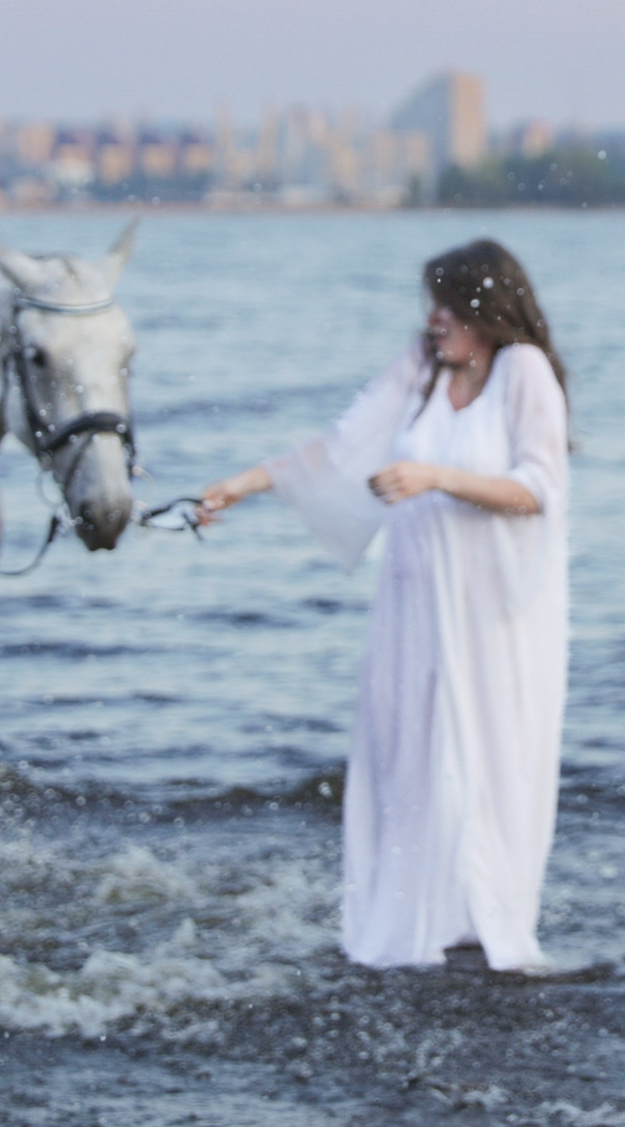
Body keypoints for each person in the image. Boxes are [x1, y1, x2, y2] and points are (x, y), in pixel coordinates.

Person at [198, 238, 571, 972]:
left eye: (448, 303)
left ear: (488, 310)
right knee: (401, 754)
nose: (433, 318)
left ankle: (481, 917)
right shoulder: (423, 367)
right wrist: (239, 486)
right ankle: (404, 921)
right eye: (430, 302)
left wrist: (438, 476)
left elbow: (537, 490)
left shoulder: (523, 371)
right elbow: (342, 447)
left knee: (485, 760)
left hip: (494, 614)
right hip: (413, 602)